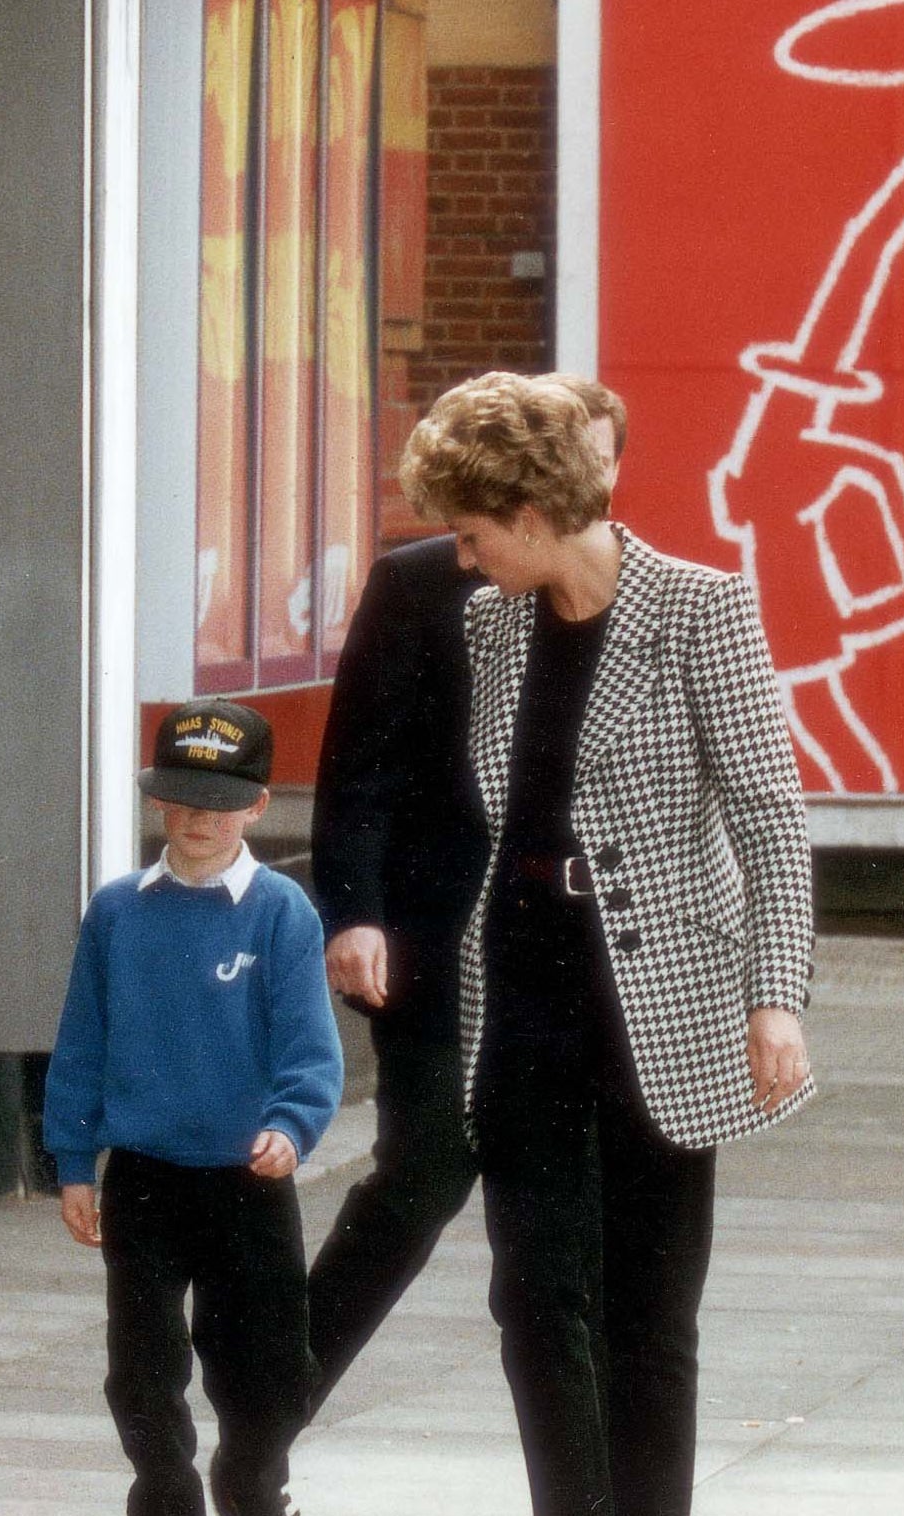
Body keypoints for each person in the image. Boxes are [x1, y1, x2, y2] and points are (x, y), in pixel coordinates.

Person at [400, 373, 815, 1516]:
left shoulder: (701, 607)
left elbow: (767, 816)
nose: (460, 557)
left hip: (666, 1002)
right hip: (523, 984)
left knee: (652, 1307)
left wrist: (775, 992)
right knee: (530, 1293)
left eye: (472, 531)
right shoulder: (488, 627)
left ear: (527, 513)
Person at [306, 375, 626, 1413]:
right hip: (436, 944)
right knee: (421, 1176)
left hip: (571, 974)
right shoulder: (424, 584)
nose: (595, 479)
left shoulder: (641, 599)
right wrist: (351, 910)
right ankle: (270, 1405)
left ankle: (615, 1489)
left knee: (576, 1233)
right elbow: (357, 763)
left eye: (608, 459)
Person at [44, 701, 344, 1516]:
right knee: (139, 1374)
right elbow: (81, 1042)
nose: (198, 819)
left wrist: (292, 1126)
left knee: (261, 1378)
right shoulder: (118, 912)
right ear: (157, 803)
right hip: (143, 1175)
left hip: (247, 1182)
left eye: (219, 802)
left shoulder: (280, 913)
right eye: (179, 799)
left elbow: (310, 1051)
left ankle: (254, 1489)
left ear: (256, 806)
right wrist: (73, 1159)